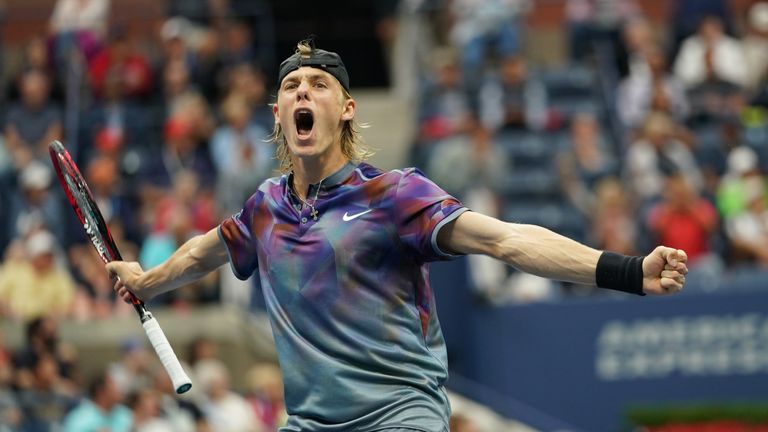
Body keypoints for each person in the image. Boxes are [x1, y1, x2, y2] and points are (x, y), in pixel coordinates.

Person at [107, 40, 689, 432]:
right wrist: (149, 280)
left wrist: (627, 270)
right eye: (291, 87)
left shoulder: (394, 195)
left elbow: (507, 241)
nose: (303, 92)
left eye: (318, 84)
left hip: (400, 418)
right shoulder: (265, 207)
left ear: (347, 109)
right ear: (278, 113)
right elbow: (202, 251)